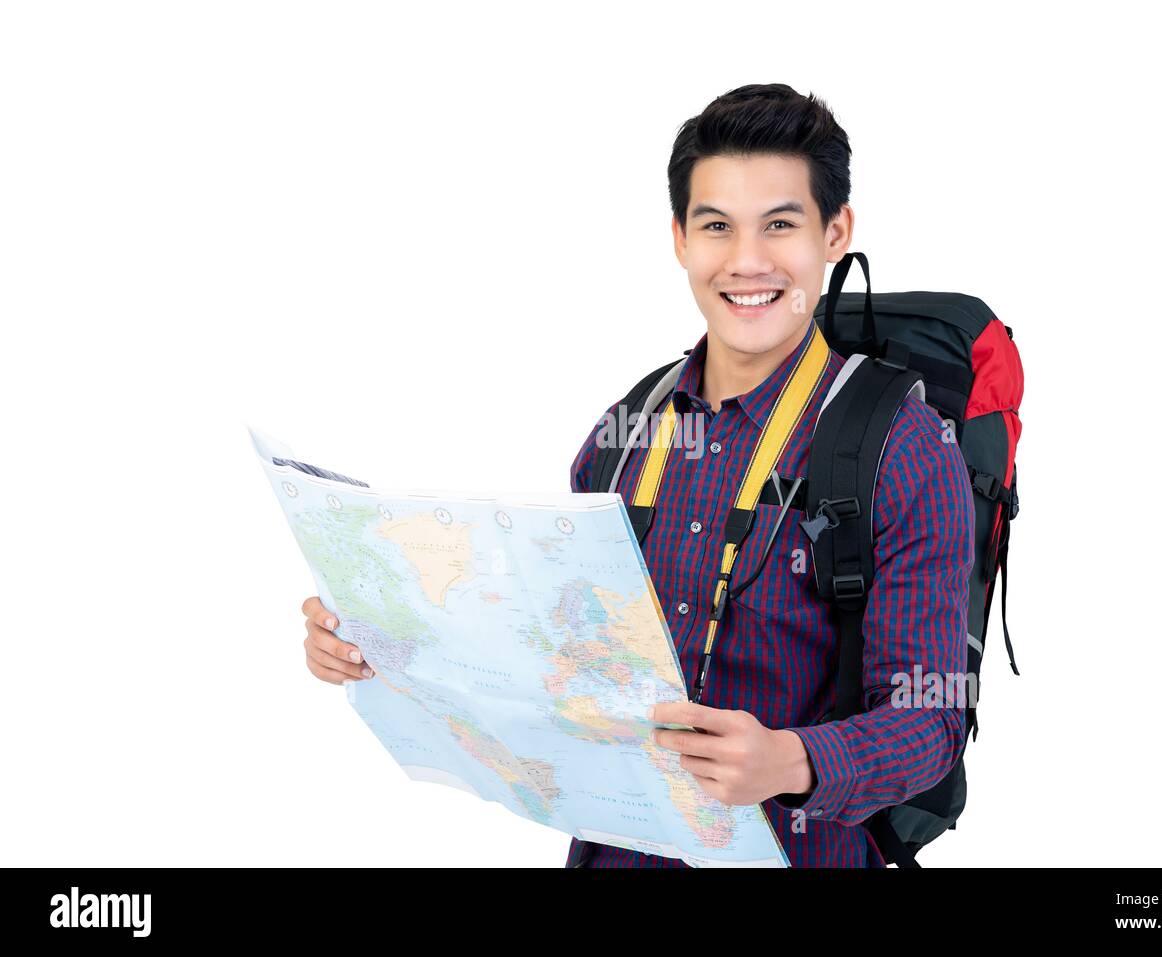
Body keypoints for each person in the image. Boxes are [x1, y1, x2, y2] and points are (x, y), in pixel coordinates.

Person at [299, 83, 975, 867]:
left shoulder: (902, 448)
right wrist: (381, 647)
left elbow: (931, 721)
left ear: (834, 233)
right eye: (716, 225)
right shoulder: (626, 434)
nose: (746, 261)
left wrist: (789, 760)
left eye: (780, 226)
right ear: (681, 238)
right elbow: (549, 661)